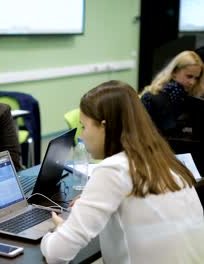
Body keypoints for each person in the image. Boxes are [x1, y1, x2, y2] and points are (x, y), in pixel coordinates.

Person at [40, 80, 204, 263]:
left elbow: (57, 254)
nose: (81, 135)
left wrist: (59, 231)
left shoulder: (112, 170)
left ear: (104, 126)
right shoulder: (166, 160)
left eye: (84, 126)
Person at [140, 50, 204, 137]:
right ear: (174, 72)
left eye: (196, 78)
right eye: (189, 76)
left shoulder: (193, 99)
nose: (192, 82)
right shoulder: (152, 97)